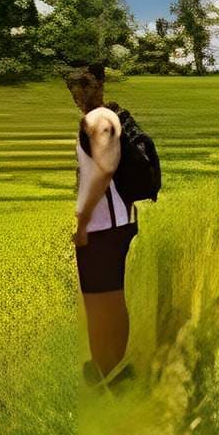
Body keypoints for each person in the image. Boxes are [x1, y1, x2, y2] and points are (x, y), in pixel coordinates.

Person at [64, 64, 136, 387]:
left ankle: (105, 372)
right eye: (74, 86)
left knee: (98, 303)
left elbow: (105, 169)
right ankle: (113, 370)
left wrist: (82, 218)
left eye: (85, 84)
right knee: (111, 299)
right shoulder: (107, 117)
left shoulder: (97, 119)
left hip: (102, 228)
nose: (79, 92)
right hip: (116, 225)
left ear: (100, 83)